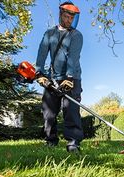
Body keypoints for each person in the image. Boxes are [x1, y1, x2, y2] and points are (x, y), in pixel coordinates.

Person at [35, 1, 84, 153]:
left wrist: (69, 77)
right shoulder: (49, 33)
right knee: (48, 111)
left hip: (72, 78)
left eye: (72, 17)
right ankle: (51, 140)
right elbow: (42, 54)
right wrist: (39, 73)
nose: (69, 20)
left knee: (71, 110)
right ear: (60, 14)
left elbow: (73, 57)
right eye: (66, 16)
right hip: (52, 78)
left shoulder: (76, 35)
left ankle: (73, 142)